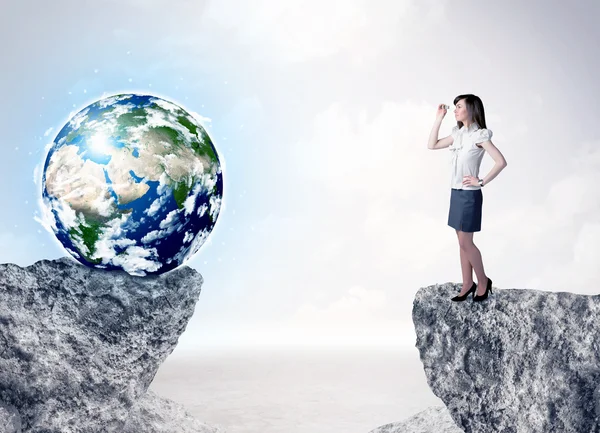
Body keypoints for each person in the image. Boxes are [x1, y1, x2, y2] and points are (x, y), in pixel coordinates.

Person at [427, 94, 508, 302]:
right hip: (456, 193)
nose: (455, 109)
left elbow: (500, 161)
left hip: (470, 196)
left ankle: (482, 280)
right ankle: (467, 283)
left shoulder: (480, 136)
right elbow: (432, 144)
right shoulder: (458, 134)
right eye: (455, 106)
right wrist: (439, 118)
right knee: (461, 243)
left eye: (459, 106)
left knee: (466, 243)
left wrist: (480, 181)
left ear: (471, 109)